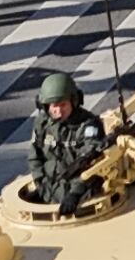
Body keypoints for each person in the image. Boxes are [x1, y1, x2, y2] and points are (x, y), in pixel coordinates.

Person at [28, 72, 112, 214]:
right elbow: (35, 155)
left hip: (81, 195)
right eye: (54, 106)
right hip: (49, 189)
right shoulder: (42, 124)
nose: (58, 111)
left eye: (63, 105)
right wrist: (40, 183)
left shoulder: (88, 126)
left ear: (74, 101)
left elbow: (91, 165)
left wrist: (75, 194)